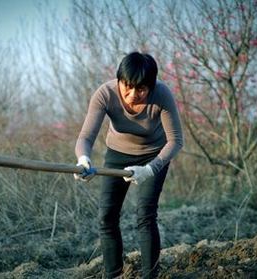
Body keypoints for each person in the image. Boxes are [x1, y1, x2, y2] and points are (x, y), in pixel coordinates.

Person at [74, 51, 183, 278]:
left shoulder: (161, 95)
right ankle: (113, 274)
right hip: (117, 154)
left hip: (154, 156)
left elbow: (175, 141)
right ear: (119, 80)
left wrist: (151, 168)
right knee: (107, 217)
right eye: (127, 86)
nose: (133, 94)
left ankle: (149, 276)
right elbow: (85, 138)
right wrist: (83, 159)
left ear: (151, 86)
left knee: (145, 215)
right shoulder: (105, 93)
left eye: (141, 89)